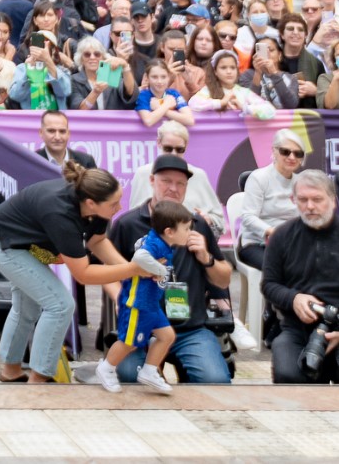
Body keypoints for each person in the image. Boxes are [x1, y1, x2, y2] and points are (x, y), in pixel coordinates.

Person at [0, 159, 163, 383]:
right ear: (90, 203)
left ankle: (11, 372)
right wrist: (133, 268)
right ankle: (38, 382)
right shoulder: (60, 213)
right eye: (114, 204)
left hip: (29, 241)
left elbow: (98, 242)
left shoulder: (95, 205)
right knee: (60, 305)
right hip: (3, 240)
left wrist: (136, 270)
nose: (120, 208)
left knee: (28, 307)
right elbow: (84, 274)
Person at [100, 157, 236, 386]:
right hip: (141, 324)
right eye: (166, 181)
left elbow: (223, 280)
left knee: (216, 381)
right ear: (152, 181)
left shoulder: (197, 224)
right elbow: (108, 273)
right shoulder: (129, 223)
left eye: (180, 183)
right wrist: (119, 299)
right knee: (129, 377)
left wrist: (207, 257)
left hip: (190, 329)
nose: (173, 188)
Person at [89, 198, 197, 394]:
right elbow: (139, 257)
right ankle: (106, 368)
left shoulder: (161, 241)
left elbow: (141, 243)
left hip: (151, 304)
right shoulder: (156, 244)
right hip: (137, 304)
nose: (190, 233)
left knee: (167, 336)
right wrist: (159, 270)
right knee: (129, 342)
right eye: (187, 229)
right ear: (170, 231)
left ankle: (149, 371)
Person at [262, 170, 339, 383]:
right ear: (293, 200)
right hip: (297, 328)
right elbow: (269, 285)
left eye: (317, 199)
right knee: (288, 375)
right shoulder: (282, 236)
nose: (310, 206)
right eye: (303, 200)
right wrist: (294, 298)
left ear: (333, 201)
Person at [239, 128, 309, 269]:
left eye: (298, 153)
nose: (292, 157)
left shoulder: (302, 181)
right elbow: (248, 217)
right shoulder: (259, 178)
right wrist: (272, 231)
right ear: (274, 151)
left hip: (292, 243)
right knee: (285, 268)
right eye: (285, 151)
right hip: (257, 243)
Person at [135, 59, 195, 127]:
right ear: (147, 77)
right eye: (154, 77)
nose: (159, 81)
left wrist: (159, 108)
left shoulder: (174, 94)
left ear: (168, 77)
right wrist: (166, 105)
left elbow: (190, 120)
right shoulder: (143, 95)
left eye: (163, 77)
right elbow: (148, 121)